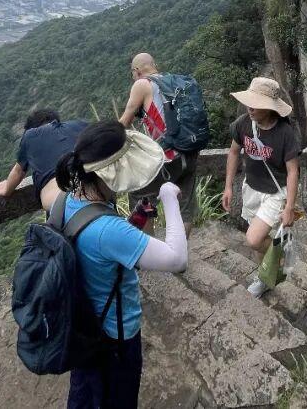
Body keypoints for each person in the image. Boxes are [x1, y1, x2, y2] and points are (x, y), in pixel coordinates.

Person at [55, 120, 188, 409]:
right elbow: (177, 259)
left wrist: (137, 219)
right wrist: (169, 198)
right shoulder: (108, 230)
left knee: (85, 393)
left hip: (84, 325)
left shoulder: (67, 201)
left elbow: (99, 250)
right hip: (115, 337)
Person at [221, 77, 301, 298]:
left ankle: (281, 255)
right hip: (251, 189)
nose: (250, 107)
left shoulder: (285, 133)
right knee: (256, 242)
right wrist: (228, 187)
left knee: (254, 239)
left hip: (275, 194)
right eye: (250, 102)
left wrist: (290, 207)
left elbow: (293, 171)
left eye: (256, 104)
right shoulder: (243, 123)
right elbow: (234, 152)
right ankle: (263, 277)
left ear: (270, 107)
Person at [119, 52, 200, 235]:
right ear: (154, 64)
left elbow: (124, 121)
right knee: (185, 205)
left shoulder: (142, 84)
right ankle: (180, 254)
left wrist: (101, 137)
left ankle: (151, 254)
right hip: (190, 149)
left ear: (136, 70)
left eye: (132, 73)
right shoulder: (173, 81)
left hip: (168, 155)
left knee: (140, 196)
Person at [0, 107, 88, 209]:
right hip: (95, 188)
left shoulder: (30, 135)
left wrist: (6, 189)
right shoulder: (80, 125)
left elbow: (18, 172)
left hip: (62, 203)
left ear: (32, 128)